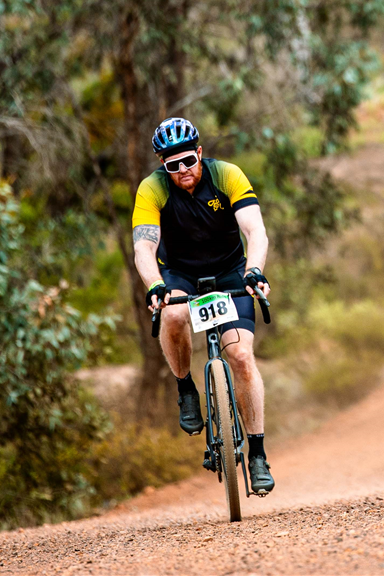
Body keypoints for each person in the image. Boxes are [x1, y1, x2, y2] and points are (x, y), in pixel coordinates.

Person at [132, 116, 275, 495]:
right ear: (162, 165)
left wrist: (254, 271)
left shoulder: (226, 175)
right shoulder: (152, 189)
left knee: (240, 356)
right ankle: (185, 389)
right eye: (172, 165)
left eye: (188, 161)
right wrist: (155, 285)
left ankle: (258, 454)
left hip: (230, 271)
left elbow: (255, 230)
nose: (182, 170)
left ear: (199, 153)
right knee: (173, 313)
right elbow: (144, 246)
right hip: (179, 274)